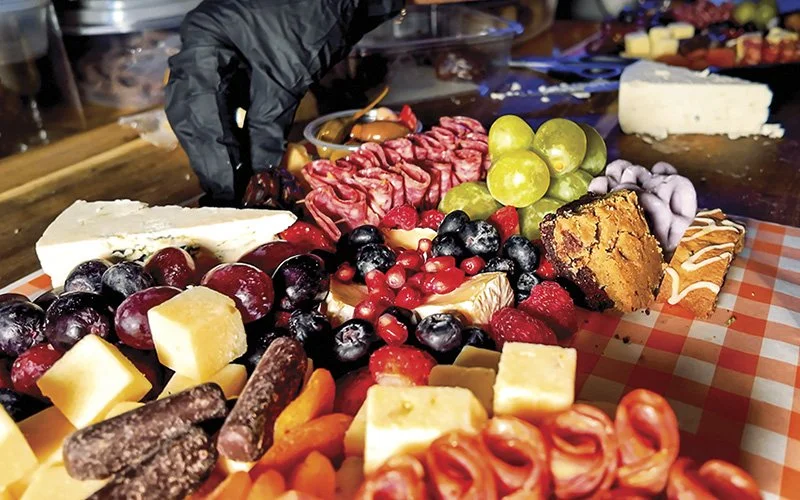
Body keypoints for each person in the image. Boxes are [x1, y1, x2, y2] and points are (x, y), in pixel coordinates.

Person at [165, 0, 406, 207]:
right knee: (205, 121)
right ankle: (240, 199)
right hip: (226, 22)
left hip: (289, 21)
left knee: (236, 131)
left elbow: (269, 114)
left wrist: (262, 186)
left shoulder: (310, 28)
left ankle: (247, 198)